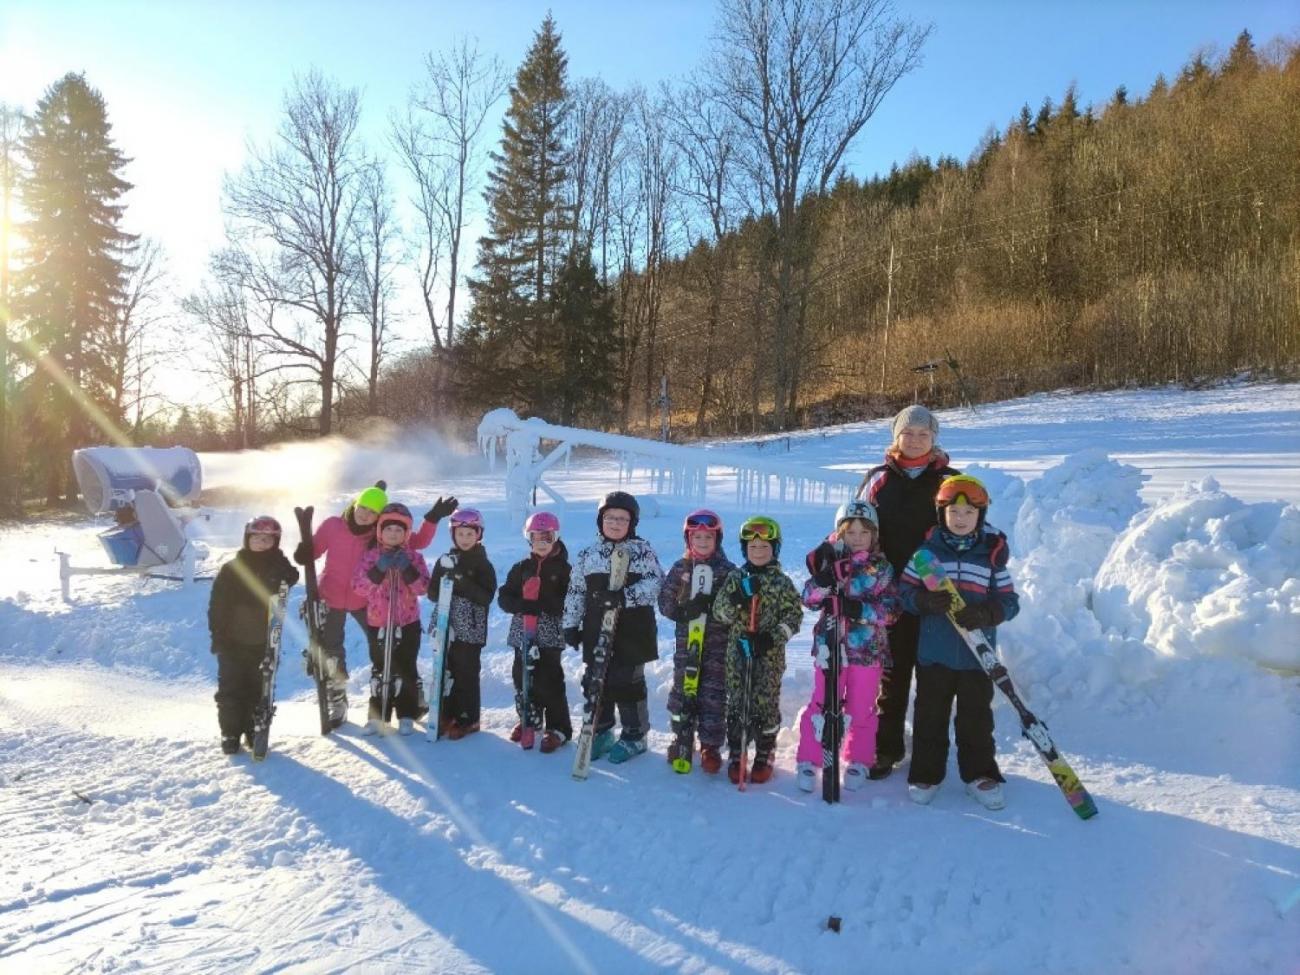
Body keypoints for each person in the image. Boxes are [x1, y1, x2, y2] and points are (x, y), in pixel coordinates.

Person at [897, 475, 1020, 810]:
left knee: (976, 717)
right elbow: (902, 592)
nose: (961, 518)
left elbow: (1011, 601)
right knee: (929, 715)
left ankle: (979, 773)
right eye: (954, 512)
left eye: (968, 512)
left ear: (980, 515)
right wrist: (922, 601)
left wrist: (988, 612)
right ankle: (927, 772)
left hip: (977, 656)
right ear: (942, 514)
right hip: (934, 653)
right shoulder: (926, 555)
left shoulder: (991, 557)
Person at [294, 483, 456, 726]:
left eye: (372, 512)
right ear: (354, 504)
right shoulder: (333, 526)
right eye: (363, 507)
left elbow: (416, 541)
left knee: (387, 649)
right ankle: (337, 700)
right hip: (331, 595)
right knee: (330, 651)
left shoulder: (377, 534)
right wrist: (303, 551)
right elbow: (313, 551)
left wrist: (432, 518)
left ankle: (410, 694)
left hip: (368, 601)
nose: (365, 514)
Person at [860, 405, 960, 779]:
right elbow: (856, 527)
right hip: (890, 594)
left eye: (924, 433)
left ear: (934, 439)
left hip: (936, 596)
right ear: (895, 437)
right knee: (893, 673)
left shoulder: (950, 482)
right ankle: (886, 748)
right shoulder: (878, 480)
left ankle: (928, 752)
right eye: (908, 433)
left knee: (934, 676)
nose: (916, 439)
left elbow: (970, 530)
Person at [795, 500, 900, 793]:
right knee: (821, 702)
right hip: (830, 647)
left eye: (863, 532)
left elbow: (892, 610)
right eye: (850, 531)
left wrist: (859, 610)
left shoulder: (881, 568)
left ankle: (858, 757)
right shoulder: (827, 560)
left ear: (874, 535)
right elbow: (808, 598)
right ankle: (809, 758)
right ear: (839, 533)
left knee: (861, 706)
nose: (856, 538)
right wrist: (823, 579)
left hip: (866, 652)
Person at [562, 491, 664, 764]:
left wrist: (624, 597)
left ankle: (635, 735)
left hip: (633, 632)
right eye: (610, 518)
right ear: (600, 520)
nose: (616, 523)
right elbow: (575, 591)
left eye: (622, 519)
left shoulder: (642, 551)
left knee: (627, 683)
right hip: (596, 629)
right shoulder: (588, 554)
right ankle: (602, 731)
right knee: (596, 681)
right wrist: (571, 624)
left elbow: (655, 585)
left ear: (632, 523)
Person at [711, 516, 803, 785]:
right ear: (744, 550)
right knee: (738, 703)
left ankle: (765, 752)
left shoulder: (782, 582)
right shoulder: (735, 578)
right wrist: (738, 598)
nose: (759, 552)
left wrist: (770, 640)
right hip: (738, 653)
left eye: (765, 547)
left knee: (765, 702)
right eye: (753, 548)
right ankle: (738, 753)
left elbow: (794, 617)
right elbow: (720, 613)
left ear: (775, 549)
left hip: (769, 656)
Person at [209, 516, 300, 754]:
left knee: (257, 688)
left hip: (264, 641)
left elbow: (292, 575)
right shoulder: (232, 569)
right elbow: (217, 604)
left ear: (275, 541)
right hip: (232, 640)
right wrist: (218, 634)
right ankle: (230, 732)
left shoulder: (278, 565)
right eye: (257, 537)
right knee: (230, 689)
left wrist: (285, 576)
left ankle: (253, 729)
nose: (261, 542)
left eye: (268, 539)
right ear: (247, 538)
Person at [657, 509, 736, 774]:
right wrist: (682, 611)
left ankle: (710, 745)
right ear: (688, 539)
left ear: (718, 539)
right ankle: (682, 737)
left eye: (708, 538)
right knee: (683, 691)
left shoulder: (727, 571)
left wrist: (714, 606)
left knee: (713, 694)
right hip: (686, 644)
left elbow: (736, 606)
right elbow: (665, 601)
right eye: (696, 538)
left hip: (716, 645)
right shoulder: (681, 568)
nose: (702, 543)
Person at [352, 503, 432, 735]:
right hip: (378, 621)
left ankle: (406, 714)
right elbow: (358, 587)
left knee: (406, 667)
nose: (393, 534)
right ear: (380, 532)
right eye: (388, 530)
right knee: (380, 668)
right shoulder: (371, 557)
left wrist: (408, 570)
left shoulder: (414, 557)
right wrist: (377, 570)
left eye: (399, 530)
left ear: (406, 533)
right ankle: (378, 716)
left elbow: (423, 588)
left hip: (407, 622)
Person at [497, 511, 573, 752]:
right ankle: (529, 718)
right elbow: (504, 597)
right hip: (523, 632)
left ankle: (558, 728)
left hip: (549, 633)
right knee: (522, 677)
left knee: (549, 679)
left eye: (547, 538)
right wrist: (521, 604)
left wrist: (544, 604)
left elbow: (570, 602)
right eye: (537, 537)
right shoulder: (521, 568)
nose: (542, 543)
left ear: (555, 538)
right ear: (529, 539)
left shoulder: (564, 570)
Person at [428, 508, 497, 739]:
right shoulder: (445, 560)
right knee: (445, 668)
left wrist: (460, 579)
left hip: (471, 627)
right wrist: (444, 578)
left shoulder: (483, 564)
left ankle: (469, 718)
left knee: (466, 671)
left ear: (479, 534)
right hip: (447, 623)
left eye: (470, 534)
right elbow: (432, 593)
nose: (465, 539)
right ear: (453, 535)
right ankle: (446, 714)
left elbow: (485, 596)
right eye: (461, 534)